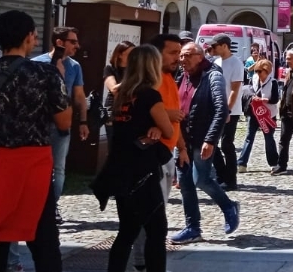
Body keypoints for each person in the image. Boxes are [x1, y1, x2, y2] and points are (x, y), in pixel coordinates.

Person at [0, 11, 70, 272]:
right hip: (34, 165)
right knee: (44, 243)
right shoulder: (46, 75)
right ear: (29, 37)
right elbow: (64, 122)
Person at [102, 45, 175, 272]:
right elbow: (169, 130)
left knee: (127, 231)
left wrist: (152, 126)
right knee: (157, 231)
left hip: (121, 168)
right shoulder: (149, 95)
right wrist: (158, 124)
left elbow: (131, 124)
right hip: (143, 171)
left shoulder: (121, 93)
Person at [170, 42, 239, 244]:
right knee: (185, 183)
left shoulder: (213, 76)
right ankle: (193, 228)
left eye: (188, 55)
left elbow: (221, 110)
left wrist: (210, 139)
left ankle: (228, 206)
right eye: (181, 56)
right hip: (182, 139)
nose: (183, 60)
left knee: (201, 179)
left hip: (202, 139)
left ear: (200, 57)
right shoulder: (181, 77)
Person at [129, 33, 183, 271]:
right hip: (153, 154)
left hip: (168, 152)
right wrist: (164, 119)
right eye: (173, 53)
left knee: (156, 213)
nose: (178, 59)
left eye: (179, 54)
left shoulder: (170, 78)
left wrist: (181, 147)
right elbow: (151, 114)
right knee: (152, 218)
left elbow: (175, 115)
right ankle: (142, 261)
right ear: (156, 54)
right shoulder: (151, 82)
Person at [31, 26, 89, 224]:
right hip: (37, 125)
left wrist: (83, 121)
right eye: (73, 42)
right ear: (59, 42)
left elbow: (79, 95)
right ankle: (36, 205)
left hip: (62, 124)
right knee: (37, 167)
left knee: (59, 168)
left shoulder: (75, 66)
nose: (77, 46)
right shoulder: (36, 64)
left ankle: (51, 207)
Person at [207, 34, 244, 190]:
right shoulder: (216, 62)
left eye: (214, 46)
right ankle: (221, 175)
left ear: (224, 46)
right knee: (212, 144)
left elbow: (234, 90)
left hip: (231, 110)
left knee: (227, 144)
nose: (211, 49)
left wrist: (227, 110)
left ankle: (231, 179)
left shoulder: (236, 63)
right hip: (216, 110)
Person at [238, 59, 280, 172]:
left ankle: (274, 163)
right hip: (254, 113)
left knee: (269, 138)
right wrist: (252, 98)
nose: (258, 74)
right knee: (249, 137)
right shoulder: (254, 79)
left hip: (268, 114)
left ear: (267, 71)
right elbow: (248, 90)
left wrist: (263, 100)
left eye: (260, 71)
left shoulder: (273, 82)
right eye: (257, 71)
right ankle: (242, 163)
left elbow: (275, 99)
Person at [102, 41, 135, 143]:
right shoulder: (110, 69)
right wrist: (132, 79)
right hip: (114, 110)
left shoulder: (135, 70)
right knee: (113, 143)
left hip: (132, 109)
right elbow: (114, 89)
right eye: (130, 54)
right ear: (120, 55)